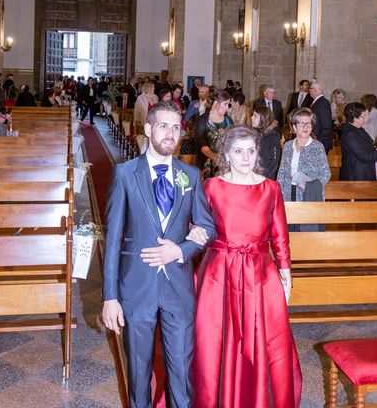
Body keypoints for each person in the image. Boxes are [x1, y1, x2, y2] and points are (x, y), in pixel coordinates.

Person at [102, 101, 216, 408]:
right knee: (138, 373)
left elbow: (207, 227)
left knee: (181, 371)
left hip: (178, 287)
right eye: (164, 126)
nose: (171, 133)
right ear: (149, 129)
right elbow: (112, 240)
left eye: (177, 127)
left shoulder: (190, 176)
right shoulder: (125, 175)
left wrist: (180, 250)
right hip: (136, 287)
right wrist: (109, 297)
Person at [192, 125, 302, 408]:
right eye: (238, 151)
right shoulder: (212, 186)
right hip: (219, 273)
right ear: (226, 155)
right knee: (215, 340)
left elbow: (280, 235)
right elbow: (199, 229)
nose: (245, 157)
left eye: (251, 151)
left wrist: (286, 275)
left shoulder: (270, 188)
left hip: (261, 275)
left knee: (267, 342)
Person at [277, 107, 331, 206]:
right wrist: (280, 191)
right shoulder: (288, 146)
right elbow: (281, 172)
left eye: (309, 124)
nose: (306, 127)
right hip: (288, 192)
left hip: (309, 194)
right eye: (302, 124)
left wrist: (309, 185)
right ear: (294, 127)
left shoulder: (317, 147)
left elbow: (326, 174)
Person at [339, 102, 377, 181]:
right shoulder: (350, 134)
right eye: (363, 116)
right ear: (355, 118)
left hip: (362, 172)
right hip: (355, 176)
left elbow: (366, 147)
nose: (366, 119)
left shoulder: (357, 129)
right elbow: (365, 156)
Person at [194, 89, 233, 179]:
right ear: (216, 103)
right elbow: (202, 145)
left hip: (226, 164)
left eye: (228, 104)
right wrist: (217, 159)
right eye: (225, 104)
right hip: (206, 164)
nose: (227, 107)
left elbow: (232, 141)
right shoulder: (202, 120)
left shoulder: (228, 120)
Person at [251, 106, 282, 179]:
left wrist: (263, 180)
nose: (251, 118)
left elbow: (274, 164)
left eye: (255, 116)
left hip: (264, 179)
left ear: (263, 119)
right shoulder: (255, 134)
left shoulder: (273, 138)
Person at [308, 81, 333, 153]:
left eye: (310, 88)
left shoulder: (322, 103)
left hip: (320, 141)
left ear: (315, 90)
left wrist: (319, 141)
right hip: (316, 139)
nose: (309, 90)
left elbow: (327, 124)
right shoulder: (318, 102)